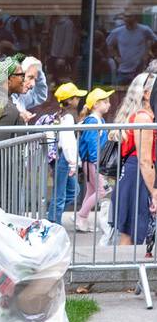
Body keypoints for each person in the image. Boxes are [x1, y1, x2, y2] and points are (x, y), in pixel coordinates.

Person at [112, 72, 156, 248]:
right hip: (138, 178)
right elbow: (145, 160)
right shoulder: (143, 118)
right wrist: (154, 192)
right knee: (130, 236)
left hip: (137, 177)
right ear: (147, 93)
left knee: (132, 235)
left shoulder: (145, 116)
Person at [74, 87, 112, 233]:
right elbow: (92, 143)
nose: (109, 104)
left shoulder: (97, 120)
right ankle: (81, 216)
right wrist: (97, 161)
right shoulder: (93, 121)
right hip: (93, 162)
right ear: (96, 104)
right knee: (102, 191)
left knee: (91, 191)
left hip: (93, 162)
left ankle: (81, 220)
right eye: (105, 102)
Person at [48, 82, 81, 225]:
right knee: (60, 195)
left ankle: (52, 217)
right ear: (69, 100)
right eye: (76, 97)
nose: (78, 100)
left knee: (73, 191)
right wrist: (73, 162)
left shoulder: (62, 115)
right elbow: (68, 141)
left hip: (63, 157)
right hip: (65, 158)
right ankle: (54, 223)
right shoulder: (68, 117)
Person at [106, 14, 156, 88]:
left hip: (140, 71)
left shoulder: (144, 30)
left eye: (130, 16)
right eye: (126, 16)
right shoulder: (117, 32)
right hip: (123, 70)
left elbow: (154, 40)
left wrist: (147, 53)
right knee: (119, 93)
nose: (127, 19)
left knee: (139, 93)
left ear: (135, 17)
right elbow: (108, 45)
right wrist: (116, 56)